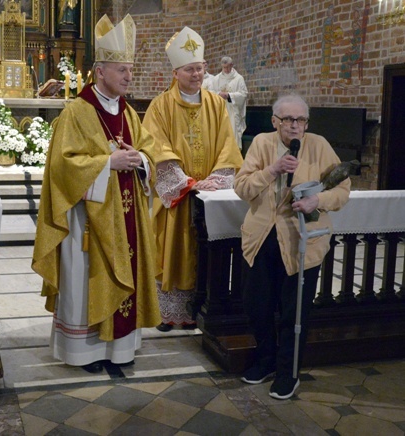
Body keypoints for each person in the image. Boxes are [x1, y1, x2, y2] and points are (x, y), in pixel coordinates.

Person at [32, 14, 161, 374]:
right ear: (100, 71)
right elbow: (62, 166)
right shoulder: (76, 112)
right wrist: (107, 163)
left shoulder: (129, 113)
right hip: (86, 220)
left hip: (127, 216)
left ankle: (120, 348)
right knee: (85, 279)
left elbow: (149, 151)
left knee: (127, 273)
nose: (129, 77)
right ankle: (86, 351)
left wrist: (140, 161)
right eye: (122, 70)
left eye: (130, 70)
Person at [234, 94, 350, 400]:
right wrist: (271, 170)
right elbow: (241, 187)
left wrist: (317, 200)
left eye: (301, 120)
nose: (295, 126)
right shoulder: (261, 143)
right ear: (275, 121)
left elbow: (342, 189)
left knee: (293, 312)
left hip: (301, 241)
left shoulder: (319, 145)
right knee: (257, 306)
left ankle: (288, 372)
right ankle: (266, 360)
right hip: (261, 238)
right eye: (288, 120)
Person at [142, 27, 243, 332]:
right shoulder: (161, 106)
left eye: (200, 68)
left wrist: (216, 179)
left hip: (210, 195)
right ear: (176, 72)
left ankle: (202, 306)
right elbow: (154, 145)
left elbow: (229, 145)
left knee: (206, 250)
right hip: (177, 196)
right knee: (171, 248)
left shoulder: (216, 104)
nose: (197, 74)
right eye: (190, 69)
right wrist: (186, 182)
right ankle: (169, 312)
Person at [206, 56, 248, 150]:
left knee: (233, 136)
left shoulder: (238, 78)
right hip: (220, 111)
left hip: (233, 111)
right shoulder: (216, 79)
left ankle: (234, 159)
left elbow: (243, 94)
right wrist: (219, 94)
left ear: (232, 65)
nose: (226, 69)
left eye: (228, 67)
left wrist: (229, 95)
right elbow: (210, 92)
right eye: (224, 67)